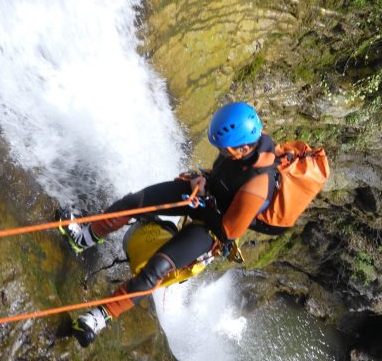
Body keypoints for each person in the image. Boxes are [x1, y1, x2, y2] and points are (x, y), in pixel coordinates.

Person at [64, 102, 278, 347]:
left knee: (156, 268)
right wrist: (203, 177)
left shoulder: (257, 186)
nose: (221, 151)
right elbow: (222, 175)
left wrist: (207, 202)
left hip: (212, 229)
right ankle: (84, 238)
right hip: (203, 199)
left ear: (241, 148)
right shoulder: (241, 146)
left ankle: (99, 318)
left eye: (224, 149)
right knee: (136, 202)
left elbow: (228, 232)